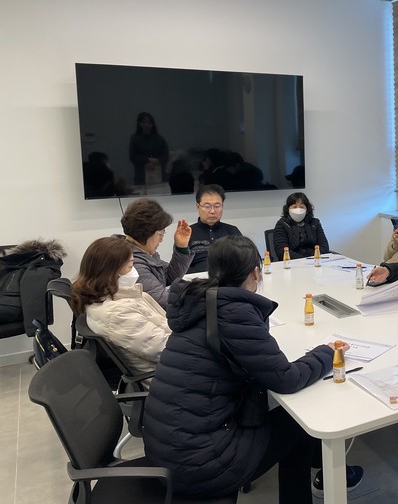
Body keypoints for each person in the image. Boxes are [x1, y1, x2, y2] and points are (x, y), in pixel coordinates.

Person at [142, 235, 363, 500]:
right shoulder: (233, 312)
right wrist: (327, 352)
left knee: (285, 418)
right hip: (198, 462)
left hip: (166, 448)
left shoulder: (200, 301)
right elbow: (286, 378)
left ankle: (317, 467)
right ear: (255, 273)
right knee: (298, 427)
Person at [71, 236, 170, 377]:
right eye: (130, 266)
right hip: (167, 376)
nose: (134, 270)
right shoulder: (118, 313)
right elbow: (166, 349)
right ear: (111, 273)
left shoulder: (102, 299)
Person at [120, 197, 193, 307]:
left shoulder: (142, 252)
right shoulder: (133, 263)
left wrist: (181, 247)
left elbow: (169, 278)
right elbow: (164, 303)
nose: (161, 240)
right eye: (160, 234)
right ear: (146, 232)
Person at [187, 184, 242, 274]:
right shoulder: (187, 233)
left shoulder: (232, 231)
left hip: (228, 278)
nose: (212, 211)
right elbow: (179, 267)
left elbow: (247, 259)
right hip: (197, 280)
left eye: (217, 206)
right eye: (207, 206)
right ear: (198, 207)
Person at [273, 192, 330, 260]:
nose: (298, 210)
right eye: (294, 207)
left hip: (315, 260)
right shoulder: (282, 224)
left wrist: (312, 258)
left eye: (302, 207)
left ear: (307, 209)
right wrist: (304, 260)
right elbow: (281, 251)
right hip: (293, 262)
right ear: (288, 209)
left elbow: (324, 247)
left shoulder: (315, 223)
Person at [128, 112, 169, 186]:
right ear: (139, 123)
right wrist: (147, 160)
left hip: (159, 175)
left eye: (149, 123)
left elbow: (166, 157)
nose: (146, 125)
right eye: (144, 122)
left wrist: (157, 161)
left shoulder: (160, 139)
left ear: (152, 124)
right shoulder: (135, 139)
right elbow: (132, 157)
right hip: (141, 177)